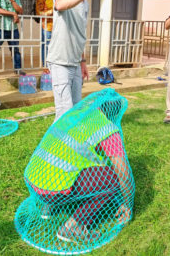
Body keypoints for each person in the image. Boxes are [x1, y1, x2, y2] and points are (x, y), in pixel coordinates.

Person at [24, 92, 133, 244]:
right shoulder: (106, 128)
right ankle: (73, 227)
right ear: (114, 114)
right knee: (114, 179)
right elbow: (124, 174)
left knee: (63, 162)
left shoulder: (76, 115)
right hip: (52, 190)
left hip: (34, 179)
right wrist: (127, 203)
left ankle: (47, 207)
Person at [47, 0, 109, 122]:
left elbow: (80, 33)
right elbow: (60, 5)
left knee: (76, 107)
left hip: (75, 63)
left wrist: (83, 62)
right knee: (64, 111)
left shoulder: (85, 4)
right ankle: (59, 145)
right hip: (60, 62)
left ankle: (71, 143)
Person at [35, 0, 61, 67]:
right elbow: (39, 13)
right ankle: (45, 65)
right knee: (46, 46)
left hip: (57, 26)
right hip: (47, 27)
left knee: (56, 47)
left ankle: (54, 65)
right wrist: (52, 11)